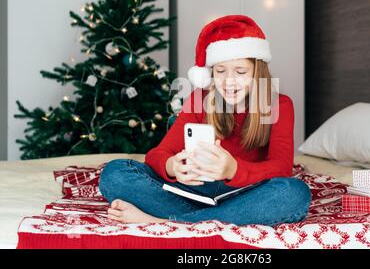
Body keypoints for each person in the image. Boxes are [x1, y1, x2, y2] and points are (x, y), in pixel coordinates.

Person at [99, 15, 311, 226]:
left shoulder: (280, 105)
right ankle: (213, 219)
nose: (229, 81)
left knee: (294, 193)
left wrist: (233, 170)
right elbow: (157, 155)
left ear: (258, 72)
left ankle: (166, 222)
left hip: (245, 194)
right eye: (220, 71)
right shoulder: (200, 99)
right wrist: (173, 166)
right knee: (115, 173)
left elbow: (282, 168)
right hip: (193, 193)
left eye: (240, 71)